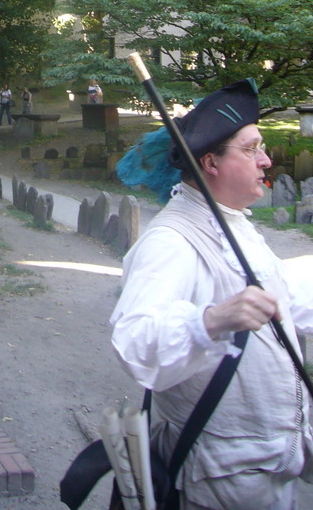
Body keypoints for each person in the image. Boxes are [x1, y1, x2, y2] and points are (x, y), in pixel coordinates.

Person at [111, 79, 313, 510]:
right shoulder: (171, 241)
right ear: (211, 163)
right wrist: (211, 321)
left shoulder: (231, 220)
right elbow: (136, 341)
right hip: (225, 478)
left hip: (270, 465)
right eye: (251, 148)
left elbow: (280, 298)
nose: (266, 159)